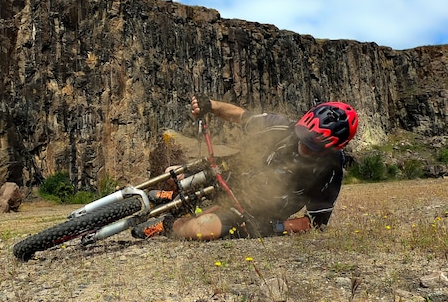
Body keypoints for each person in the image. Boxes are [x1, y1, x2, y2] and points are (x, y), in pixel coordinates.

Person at [132, 95, 359, 240]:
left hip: (253, 212)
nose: (304, 146)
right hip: (230, 178)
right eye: (303, 136)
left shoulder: (330, 170)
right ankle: (172, 195)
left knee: (200, 229)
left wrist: (274, 227)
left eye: (313, 145)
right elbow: (241, 116)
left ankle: (168, 224)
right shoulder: (281, 127)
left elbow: (313, 223)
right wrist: (209, 105)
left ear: (333, 147)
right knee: (173, 172)